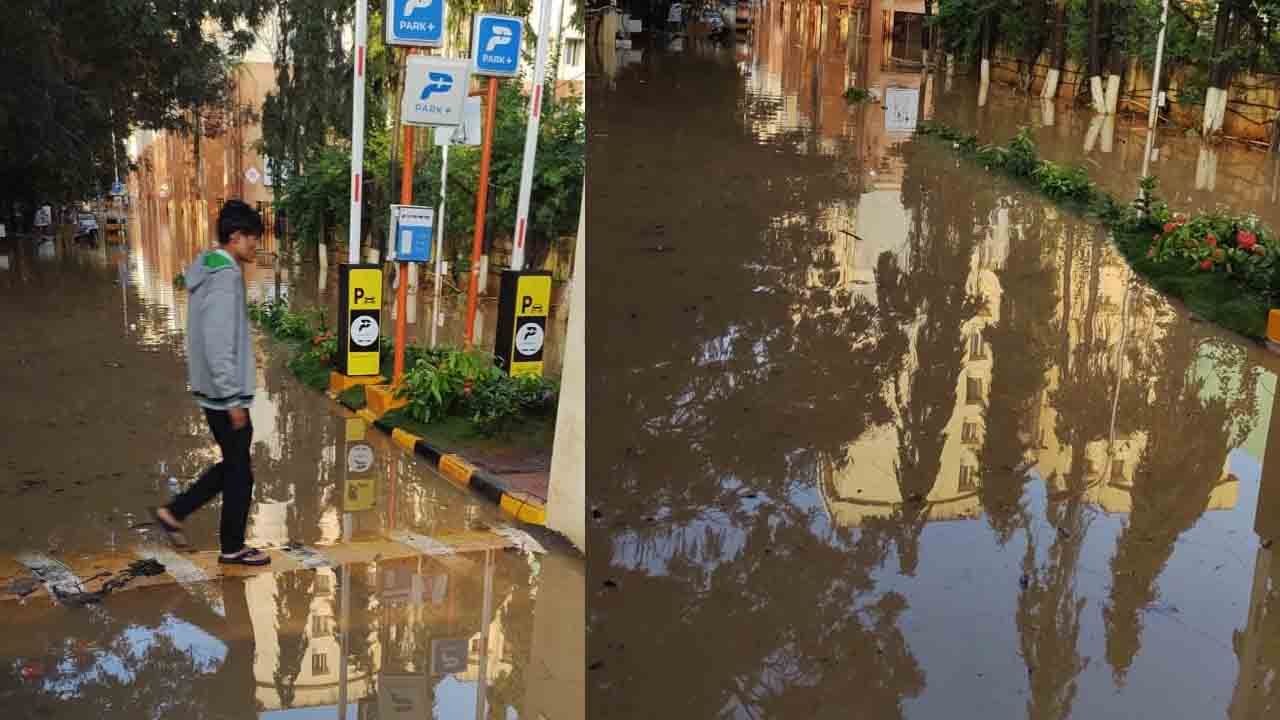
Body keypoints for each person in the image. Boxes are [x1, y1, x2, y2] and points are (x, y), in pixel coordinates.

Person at [151, 200, 270, 566]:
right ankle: (231, 548)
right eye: (253, 238)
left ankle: (174, 513)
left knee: (236, 467)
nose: (256, 246)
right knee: (240, 474)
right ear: (236, 237)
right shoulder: (226, 276)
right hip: (223, 394)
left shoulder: (208, 266)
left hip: (211, 389)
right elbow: (218, 340)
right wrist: (233, 398)